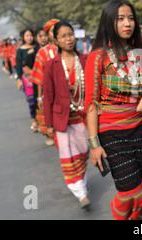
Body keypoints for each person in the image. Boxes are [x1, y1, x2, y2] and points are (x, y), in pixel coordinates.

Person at [85, 0, 142, 220]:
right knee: (131, 192)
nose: (127, 23)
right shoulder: (97, 57)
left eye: (130, 18)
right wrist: (94, 145)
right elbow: (91, 104)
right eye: (120, 19)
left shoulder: (140, 53)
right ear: (109, 22)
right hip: (112, 133)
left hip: (141, 129)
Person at [43, 20, 90, 209]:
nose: (68, 39)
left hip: (83, 118)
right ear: (56, 40)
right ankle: (81, 193)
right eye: (63, 36)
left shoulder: (86, 60)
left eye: (70, 34)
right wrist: (48, 123)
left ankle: (81, 184)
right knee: (68, 156)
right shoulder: (51, 65)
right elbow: (48, 96)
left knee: (83, 154)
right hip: (61, 118)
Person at [30, 19, 60, 146]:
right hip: (50, 92)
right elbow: (39, 78)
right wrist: (39, 97)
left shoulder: (70, 49)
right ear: (49, 34)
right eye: (53, 31)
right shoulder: (42, 52)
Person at [16, 28, 38, 132]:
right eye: (27, 35)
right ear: (23, 37)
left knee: (40, 99)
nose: (29, 37)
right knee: (32, 100)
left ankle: (41, 120)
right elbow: (19, 66)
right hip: (27, 79)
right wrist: (19, 79)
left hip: (39, 76)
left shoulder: (37, 48)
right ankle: (33, 119)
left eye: (31, 35)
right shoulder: (20, 50)